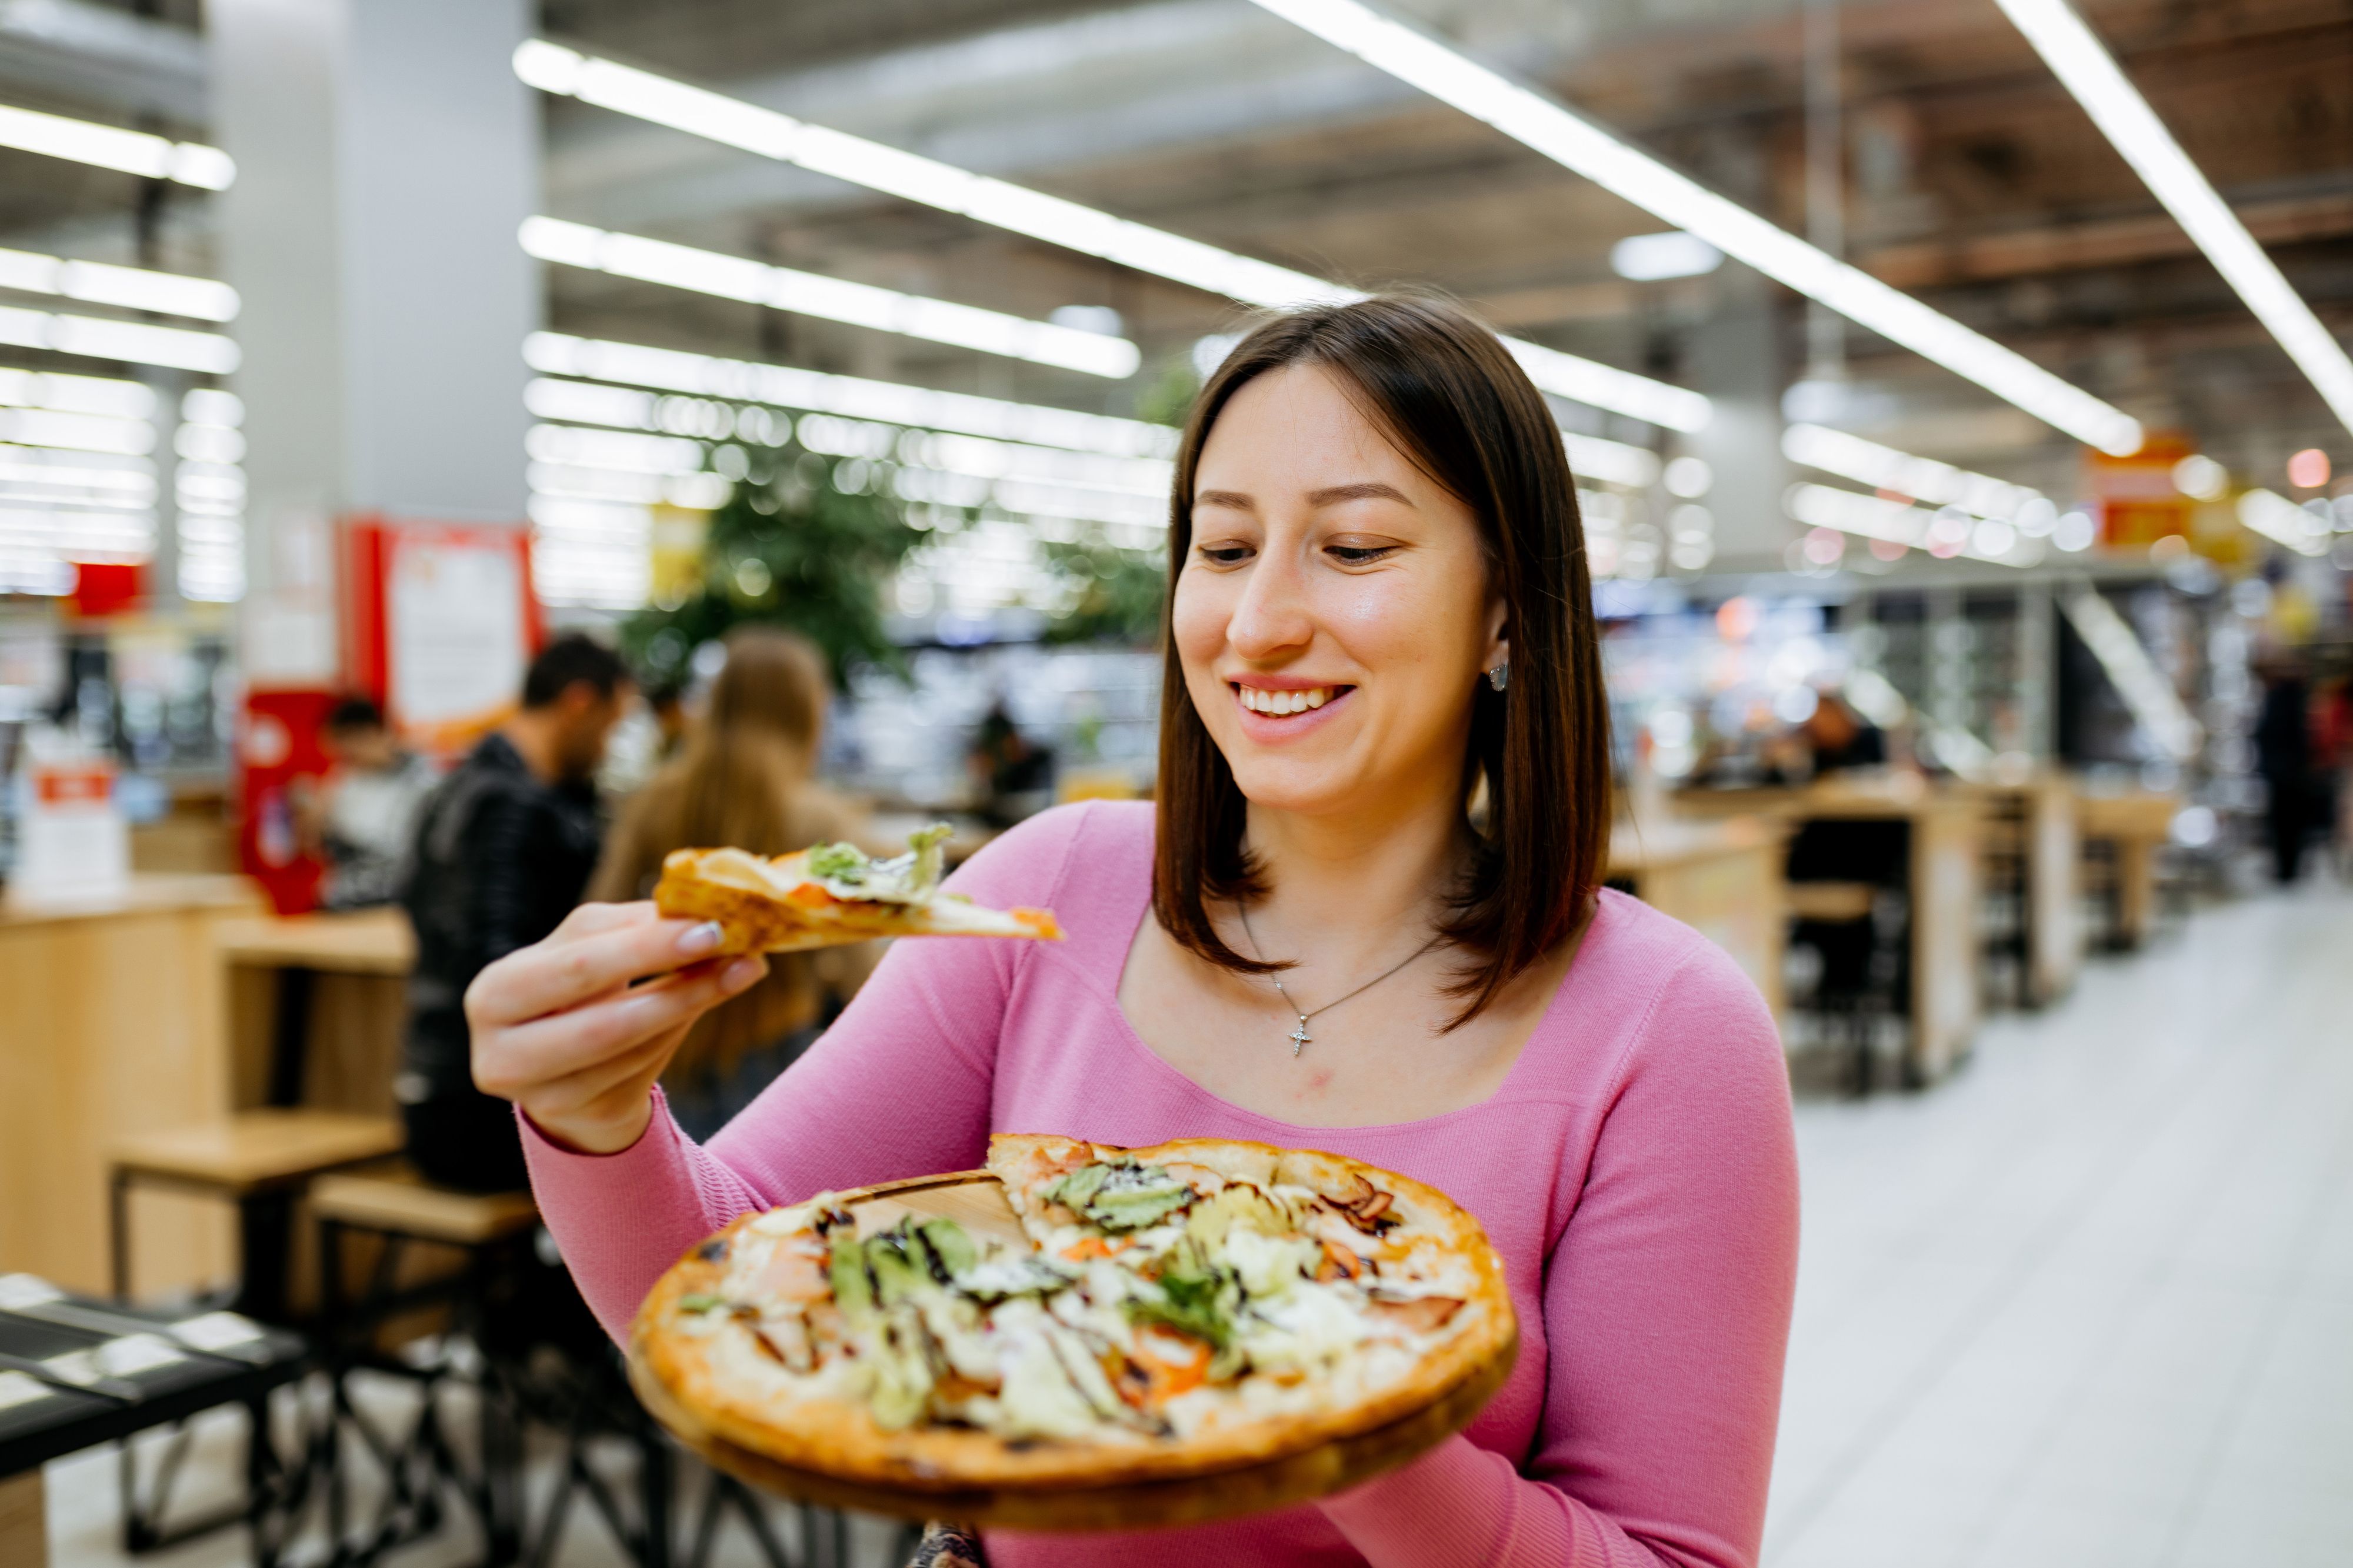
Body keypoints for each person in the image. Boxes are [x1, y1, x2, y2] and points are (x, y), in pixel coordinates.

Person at [468, 296, 1798, 1567]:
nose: (1258, 620)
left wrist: (1336, 1402)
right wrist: (594, 1116)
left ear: (1506, 605)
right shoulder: (1053, 894)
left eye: (1353, 547)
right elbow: (717, 1289)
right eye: (1221, 548)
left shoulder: (1664, 1029)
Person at [585, 628, 878, 1142]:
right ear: (806, 711)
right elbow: (865, 980)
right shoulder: (818, 817)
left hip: (666, 1050)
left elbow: (598, 918)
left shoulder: (655, 799)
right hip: (778, 1056)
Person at [398, 633, 631, 1193]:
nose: (608, 746)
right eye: (610, 726)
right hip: (480, 1114)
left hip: (439, 1090)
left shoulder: (456, 788)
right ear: (579, 703)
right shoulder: (510, 807)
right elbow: (497, 967)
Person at [302, 696, 438, 910]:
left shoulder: (423, 781)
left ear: (372, 733)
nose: (347, 756)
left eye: (350, 746)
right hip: (342, 902)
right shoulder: (345, 780)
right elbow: (315, 844)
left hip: (396, 906)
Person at [2254, 650, 2314, 883]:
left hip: (2285, 771)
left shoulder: (2284, 698)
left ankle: (2287, 870)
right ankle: (2288, 868)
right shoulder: (2295, 698)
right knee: (2289, 822)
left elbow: (2274, 735)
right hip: (2289, 770)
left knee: (2285, 822)